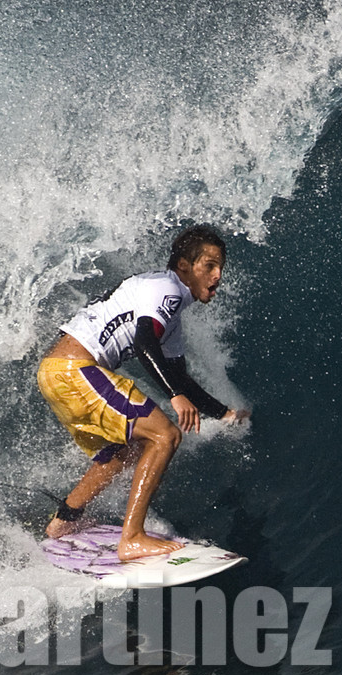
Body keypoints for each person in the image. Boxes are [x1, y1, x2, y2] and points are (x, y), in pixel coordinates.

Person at [36, 225, 248, 559]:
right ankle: (131, 538)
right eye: (209, 265)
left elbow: (180, 377)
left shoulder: (168, 310)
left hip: (57, 373)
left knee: (127, 449)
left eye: (220, 267)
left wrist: (225, 413)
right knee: (165, 435)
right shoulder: (167, 289)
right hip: (74, 369)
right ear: (183, 267)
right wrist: (175, 396)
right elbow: (144, 342)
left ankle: (64, 521)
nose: (218, 275)